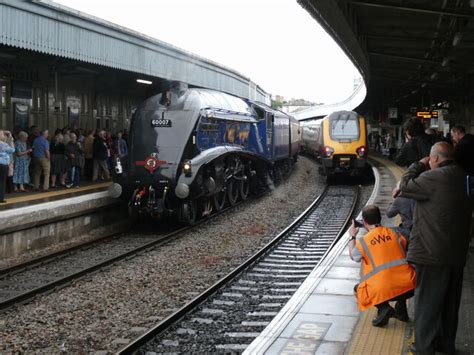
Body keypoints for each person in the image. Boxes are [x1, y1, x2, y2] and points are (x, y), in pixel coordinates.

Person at [399, 142, 472, 354]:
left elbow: (405, 185)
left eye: (430, 160)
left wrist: (417, 165)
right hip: (456, 253)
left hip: (432, 253)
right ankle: (445, 343)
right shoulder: (463, 176)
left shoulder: (433, 177)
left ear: (436, 159)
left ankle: (423, 347)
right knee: (450, 304)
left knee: (427, 303)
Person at [348, 205, 415, 327]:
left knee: (357, 289)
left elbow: (353, 256)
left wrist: (352, 236)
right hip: (410, 287)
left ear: (364, 222)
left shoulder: (364, 241)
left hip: (383, 290)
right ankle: (401, 310)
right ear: (380, 218)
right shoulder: (397, 234)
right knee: (399, 271)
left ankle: (384, 308)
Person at [0, 130, 15, 203]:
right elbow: (12, 150)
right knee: (2, 181)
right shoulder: (3, 144)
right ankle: (1, 198)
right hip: (2, 164)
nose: (3, 135)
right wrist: (11, 141)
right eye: (2, 134)